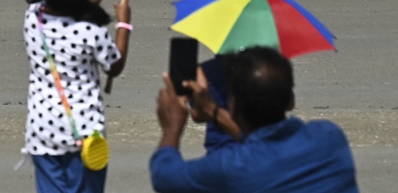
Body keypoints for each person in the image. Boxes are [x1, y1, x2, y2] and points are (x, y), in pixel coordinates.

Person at [150, 46, 359, 192]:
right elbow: (267, 148)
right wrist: (213, 111)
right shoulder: (328, 137)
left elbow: (164, 176)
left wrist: (172, 128)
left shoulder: (232, 167)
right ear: (291, 100)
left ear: (232, 106)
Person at [20, 0, 136, 193]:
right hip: (85, 132)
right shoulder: (90, 31)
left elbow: (84, 1)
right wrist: (124, 24)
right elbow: (114, 66)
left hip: (43, 130)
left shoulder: (33, 18)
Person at [187, 56, 241, 152]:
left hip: (219, 148)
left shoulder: (205, 70)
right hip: (258, 152)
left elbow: (197, 115)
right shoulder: (269, 71)